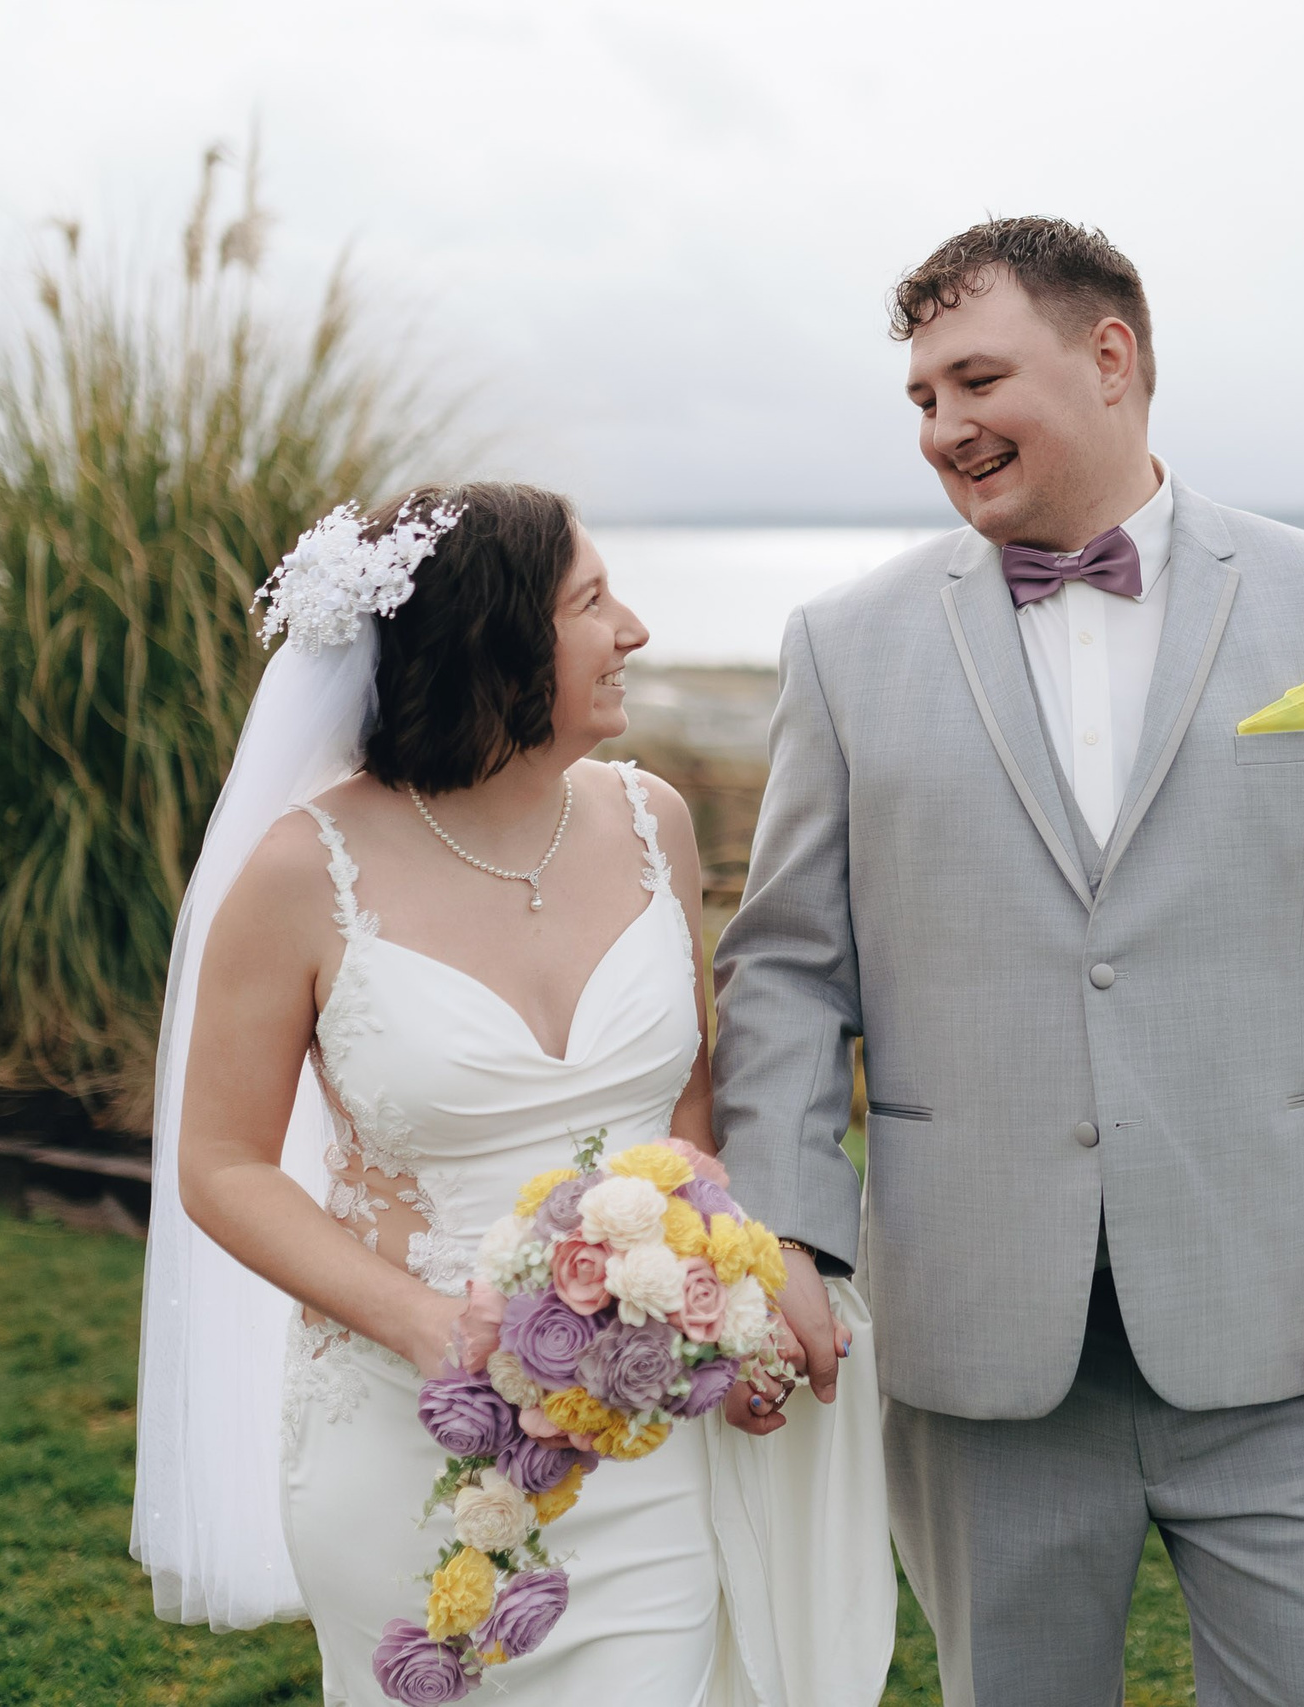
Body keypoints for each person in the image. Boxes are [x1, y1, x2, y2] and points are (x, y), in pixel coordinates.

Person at [714, 218, 1304, 1706]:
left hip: (1292, 1331)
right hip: (978, 1341)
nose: (944, 428)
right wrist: (789, 1240)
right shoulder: (844, 642)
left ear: (1111, 356)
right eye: (922, 399)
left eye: (976, 379)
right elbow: (792, 972)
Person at [132, 482, 892, 1704]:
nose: (634, 629)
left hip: (638, 1445)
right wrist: (428, 1326)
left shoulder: (654, 822)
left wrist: (731, 1298)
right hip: (405, 1430)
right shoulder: (298, 873)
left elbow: (690, 1107)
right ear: (493, 641)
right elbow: (220, 1166)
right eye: (592, 601)